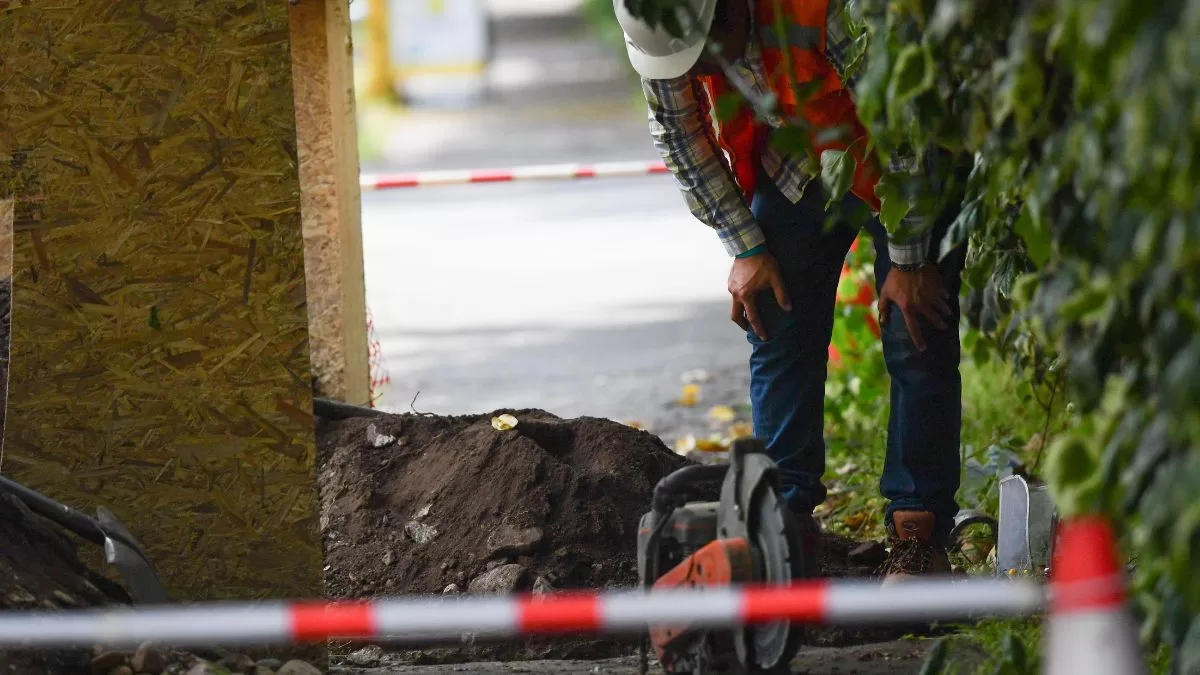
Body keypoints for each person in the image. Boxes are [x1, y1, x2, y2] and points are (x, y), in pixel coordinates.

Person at [614, 0, 967, 580]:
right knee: (773, 318)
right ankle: (782, 520)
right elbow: (679, 138)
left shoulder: (823, 7)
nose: (701, 69)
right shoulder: (662, 34)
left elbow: (904, 119)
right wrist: (748, 248)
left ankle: (918, 534)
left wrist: (911, 256)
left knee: (916, 324)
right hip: (799, 162)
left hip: (908, 156)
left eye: (706, 52)